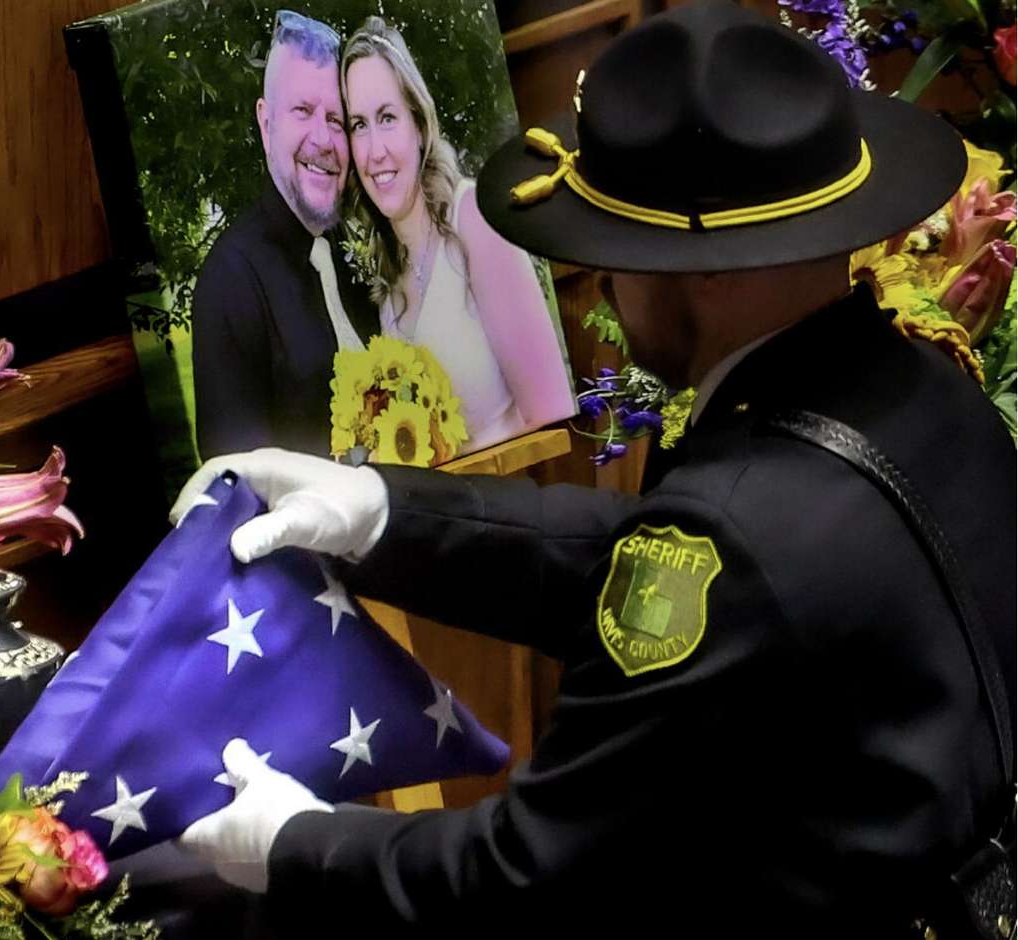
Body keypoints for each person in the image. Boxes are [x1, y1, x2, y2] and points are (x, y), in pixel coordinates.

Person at [169, 2, 1016, 936]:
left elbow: (525, 876)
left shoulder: (736, 522)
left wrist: (299, 844)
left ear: (708, 270)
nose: (604, 281)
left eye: (617, 250)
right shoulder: (927, 388)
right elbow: (659, 570)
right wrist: (380, 510)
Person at [339, 17, 574, 454]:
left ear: (419, 124)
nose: (374, 151)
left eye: (387, 117)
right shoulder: (390, 275)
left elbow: (553, 415)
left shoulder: (473, 220)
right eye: (358, 125)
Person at [191, 10, 377, 460]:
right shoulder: (229, 281)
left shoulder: (349, 256)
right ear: (266, 121)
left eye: (336, 120)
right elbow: (238, 484)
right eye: (303, 111)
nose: (323, 139)